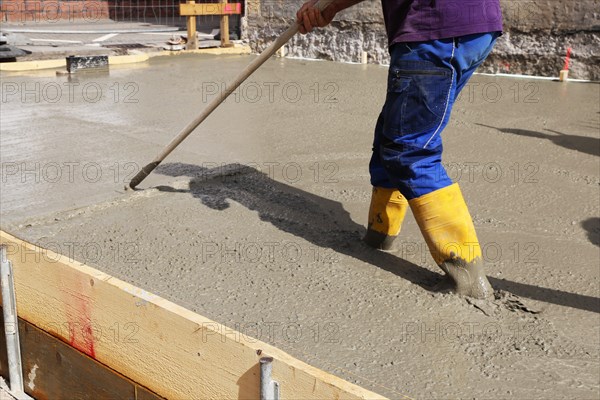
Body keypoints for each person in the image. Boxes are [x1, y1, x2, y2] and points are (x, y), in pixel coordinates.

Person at [296, 0, 503, 299]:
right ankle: (379, 235)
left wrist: (327, 7)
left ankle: (468, 279)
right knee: (391, 135)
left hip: (436, 28)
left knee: (410, 148)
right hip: (466, 25)